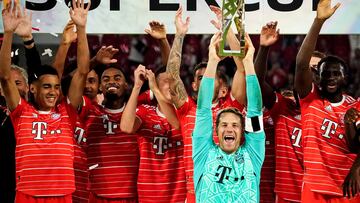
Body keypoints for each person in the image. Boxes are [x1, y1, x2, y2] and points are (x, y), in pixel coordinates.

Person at [0, 0, 90, 202]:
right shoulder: (21, 112)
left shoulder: (67, 111)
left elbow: (82, 72)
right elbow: (5, 78)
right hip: (28, 194)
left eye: (57, 87)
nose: (53, 92)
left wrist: (82, 29)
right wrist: (8, 33)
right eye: (47, 87)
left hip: (62, 195)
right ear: (32, 88)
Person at [166, 6, 245, 202]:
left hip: (231, 193)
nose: (205, 79)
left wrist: (226, 26)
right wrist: (179, 35)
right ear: (193, 85)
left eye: (211, 76)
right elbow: (172, 76)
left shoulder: (232, 108)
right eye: (199, 77)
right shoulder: (186, 110)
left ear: (224, 88)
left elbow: (243, 68)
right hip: (196, 194)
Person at [294, 0, 360, 202]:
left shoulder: (355, 107)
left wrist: (357, 167)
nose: (330, 77)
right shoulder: (310, 100)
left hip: (346, 188)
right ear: (318, 78)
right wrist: (318, 22)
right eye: (325, 74)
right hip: (315, 188)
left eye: (336, 74)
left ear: (345, 78)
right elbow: (301, 64)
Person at [193, 32, 265, 202]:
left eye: (235, 125)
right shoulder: (203, 152)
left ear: (242, 132)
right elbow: (203, 109)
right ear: (216, 130)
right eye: (224, 125)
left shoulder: (253, 154)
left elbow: (255, 111)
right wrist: (212, 62)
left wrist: (248, 63)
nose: (229, 128)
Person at [120, 65, 186, 202]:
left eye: (174, 81)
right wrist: (137, 86)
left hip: (180, 195)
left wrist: (155, 89)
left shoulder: (187, 114)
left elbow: (177, 124)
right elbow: (126, 127)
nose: (171, 85)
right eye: (166, 81)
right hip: (150, 195)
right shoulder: (145, 112)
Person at [0, 65, 28, 203]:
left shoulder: (37, 113)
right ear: (1, 89)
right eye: (8, 84)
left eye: (17, 83)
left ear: (28, 87)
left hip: (28, 188)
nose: (13, 89)